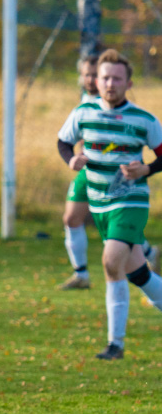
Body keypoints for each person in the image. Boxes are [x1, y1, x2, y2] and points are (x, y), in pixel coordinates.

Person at [57, 49, 162, 360]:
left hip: (130, 201)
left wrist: (147, 169)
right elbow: (63, 142)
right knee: (138, 273)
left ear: (128, 83)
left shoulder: (144, 120)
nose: (110, 83)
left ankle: (115, 344)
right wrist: (71, 159)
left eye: (117, 78)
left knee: (110, 260)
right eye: (105, 78)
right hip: (99, 201)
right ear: (97, 81)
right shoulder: (82, 113)